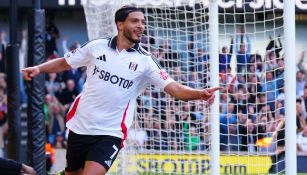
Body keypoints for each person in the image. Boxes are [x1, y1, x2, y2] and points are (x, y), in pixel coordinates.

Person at [22, 6, 221, 175]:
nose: (141, 26)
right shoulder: (96, 47)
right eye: (135, 21)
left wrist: (199, 93)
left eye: (142, 22)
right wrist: (39, 68)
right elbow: (65, 63)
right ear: (120, 24)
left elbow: (175, 89)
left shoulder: (145, 61)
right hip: (80, 126)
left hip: (111, 133)